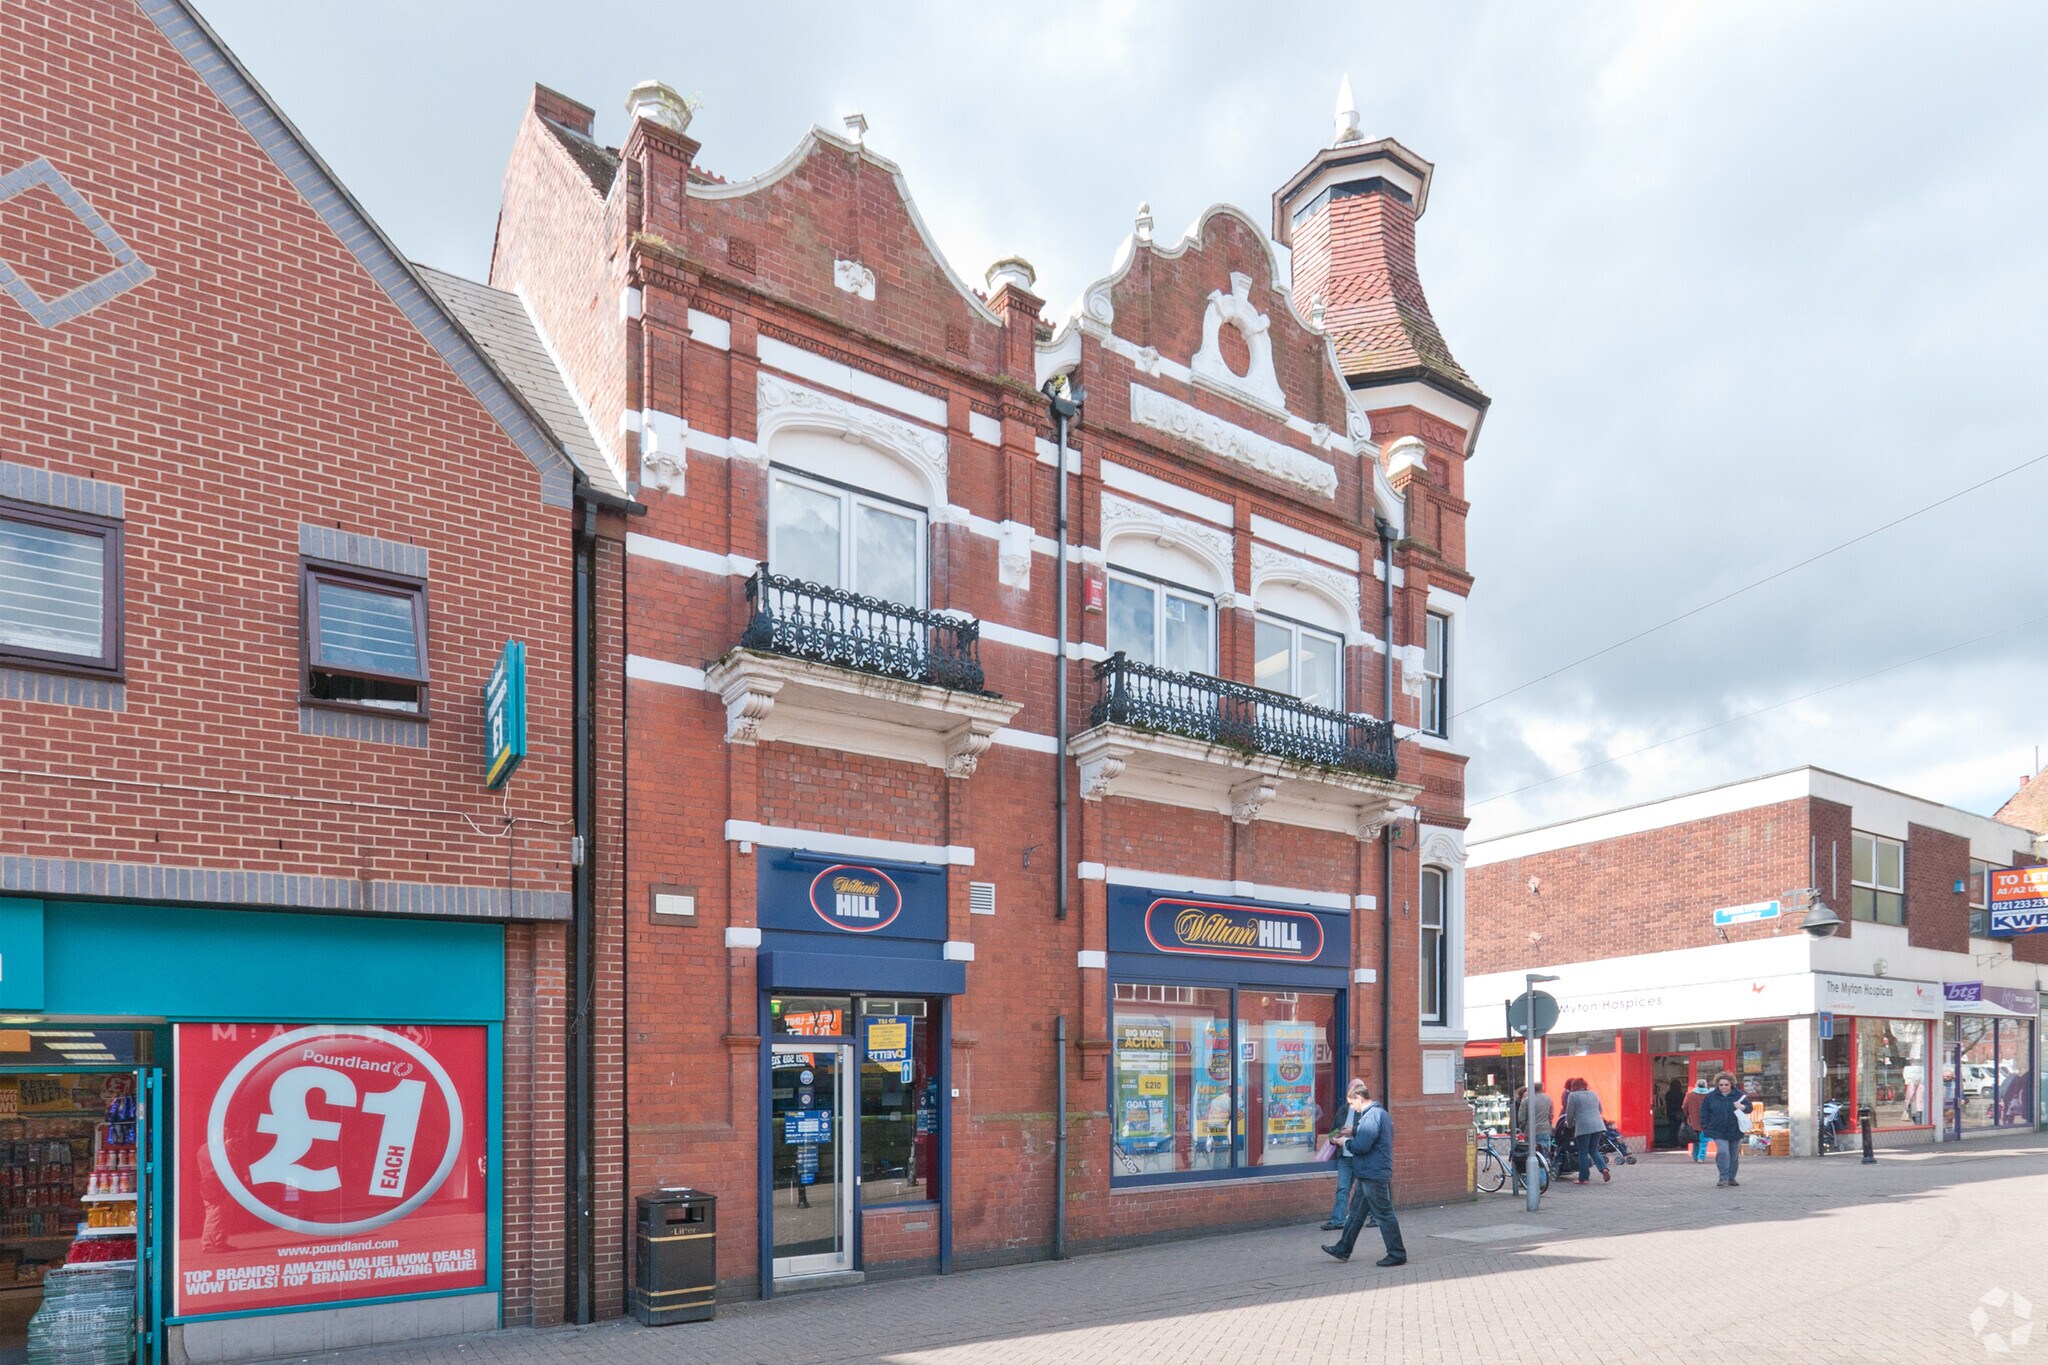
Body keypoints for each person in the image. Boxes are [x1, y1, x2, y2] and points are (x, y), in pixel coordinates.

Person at [1321, 1084, 1406, 1267]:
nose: (1352, 1107)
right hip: (1368, 1172)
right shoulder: (1377, 1114)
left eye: (1352, 1103)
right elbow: (1371, 1137)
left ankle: (1397, 1253)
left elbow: (1362, 1146)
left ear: (1360, 1097)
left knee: (1384, 1213)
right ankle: (1343, 1248)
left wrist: (1345, 1142)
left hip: (1372, 1174)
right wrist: (1353, 1131)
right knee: (1356, 1214)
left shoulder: (1371, 1116)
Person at [1321, 1079, 1368, 1231]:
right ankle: (1337, 1220)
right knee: (1343, 1188)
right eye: (1352, 1089)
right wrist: (1334, 1137)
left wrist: (1352, 1130)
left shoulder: (1367, 1111)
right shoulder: (1343, 1110)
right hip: (1344, 1157)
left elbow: (1370, 1132)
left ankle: (1376, 1218)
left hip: (1360, 1156)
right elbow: (1333, 1131)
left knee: (1368, 1189)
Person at [1698, 1070, 1753, 1187]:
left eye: (1726, 1085)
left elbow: (1749, 1108)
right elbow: (1704, 1112)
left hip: (1735, 1129)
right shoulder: (1710, 1097)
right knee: (1723, 1152)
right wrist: (1705, 1126)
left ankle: (1731, 1177)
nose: (1723, 1087)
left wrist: (1742, 1106)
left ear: (1731, 1084)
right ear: (1717, 1085)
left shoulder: (1738, 1095)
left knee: (1733, 1155)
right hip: (1717, 1130)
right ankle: (1723, 1177)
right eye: (1721, 1085)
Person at [1563, 1078, 1610, 1184]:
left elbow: (1569, 1113)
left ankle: (1583, 1178)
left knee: (1583, 1152)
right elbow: (1600, 1109)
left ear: (1574, 1086)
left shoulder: (1573, 1096)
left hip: (1584, 1127)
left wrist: (1569, 1125)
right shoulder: (1594, 1094)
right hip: (1598, 1125)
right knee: (1593, 1150)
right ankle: (1604, 1168)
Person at [1683, 1078, 1711, 1162]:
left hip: (1693, 1120)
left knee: (1695, 1139)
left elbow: (1684, 1106)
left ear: (1696, 1085)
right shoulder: (1710, 1095)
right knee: (1704, 1140)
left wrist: (1688, 1115)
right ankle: (1701, 1157)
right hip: (1707, 1120)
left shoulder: (1690, 1095)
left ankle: (1695, 1156)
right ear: (1706, 1085)